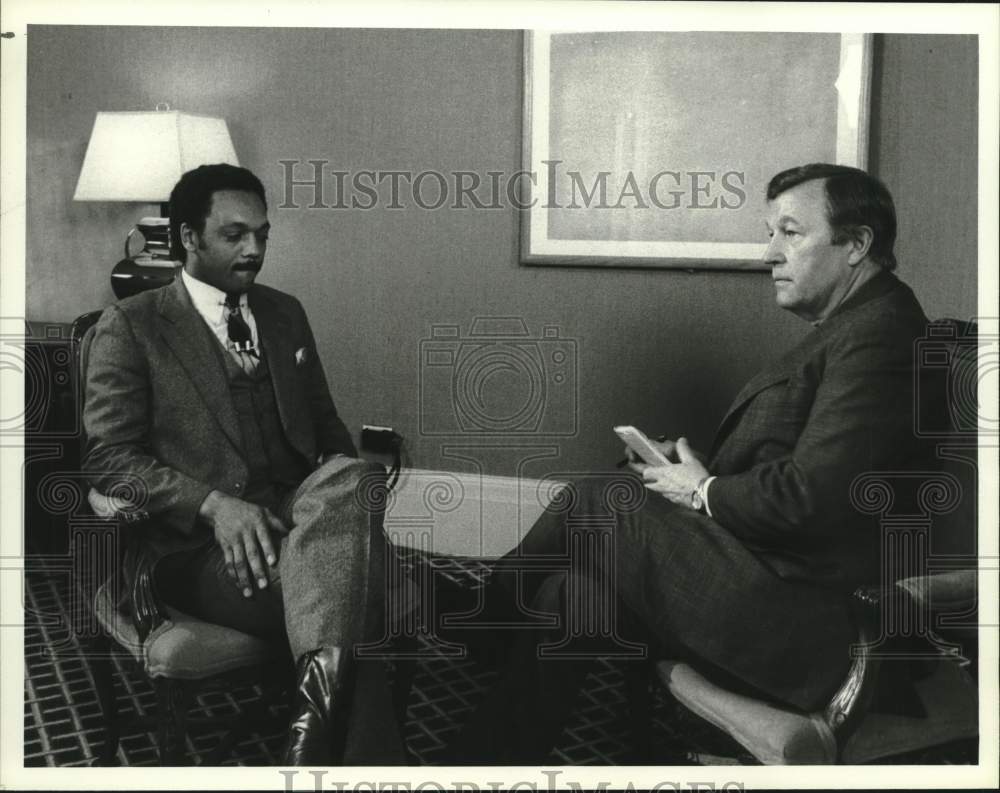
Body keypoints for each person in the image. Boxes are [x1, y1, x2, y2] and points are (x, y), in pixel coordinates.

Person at [444, 163, 934, 764]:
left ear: (856, 244)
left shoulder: (881, 336)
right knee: (572, 596)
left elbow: (812, 498)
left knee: (601, 501)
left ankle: (475, 628)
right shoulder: (858, 325)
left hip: (804, 623)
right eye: (769, 233)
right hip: (762, 574)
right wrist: (693, 472)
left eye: (790, 233)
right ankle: (478, 767)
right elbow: (804, 469)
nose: (768, 254)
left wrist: (702, 491)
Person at [82, 164, 402, 765]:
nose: (254, 249)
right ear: (188, 238)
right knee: (365, 592)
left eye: (262, 233)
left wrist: (330, 501)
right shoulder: (132, 325)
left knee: (355, 476)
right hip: (194, 551)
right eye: (234, 234)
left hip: (297, 520)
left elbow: (328, 431)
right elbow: (108, 459)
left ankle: (313, 736)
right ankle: (336, 752)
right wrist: (212, 504)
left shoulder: (285, 313)